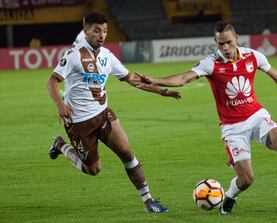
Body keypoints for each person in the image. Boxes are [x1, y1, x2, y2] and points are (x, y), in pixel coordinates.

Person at [139, 21, 277, 215]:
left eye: (229, 42)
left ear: (236, 38)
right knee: (246, 180)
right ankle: (229, 196)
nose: (225, 48)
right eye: (221, 44)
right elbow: (184, 78)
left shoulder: (253, 56)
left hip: (256, 115)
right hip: (232, 126)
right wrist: (156, 80)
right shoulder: (210, 63)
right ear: (216, 42)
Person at [47, 12, 180, 213]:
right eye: (96, 30)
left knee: (126, 151)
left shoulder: (107, 57)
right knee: (93, 169)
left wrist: (162, 91)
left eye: (105, 31)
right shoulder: (73, 55)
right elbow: (52, 81)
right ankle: (61, 145)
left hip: (103, 114)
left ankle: (148, 201)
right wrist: (59, 104)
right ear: (86, 31)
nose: (101, 35)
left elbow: (132, 79)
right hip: (79, 122)